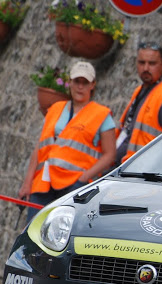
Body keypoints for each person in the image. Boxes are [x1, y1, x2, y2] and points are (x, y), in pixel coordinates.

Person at [18, 61, 116, 222]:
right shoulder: (55, 108)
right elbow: (40, 147)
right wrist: (27, 182)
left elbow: (110, 155)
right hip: (43, 183)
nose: (80, 87)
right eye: (77, 81)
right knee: (33, 231)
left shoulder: (102, 115)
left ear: (93, 85)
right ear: (69, 82)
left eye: (85, 83)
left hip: (74, 185)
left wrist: (84, 178)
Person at [115, 40, 162, 165]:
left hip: (145, 173)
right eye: (141, 62)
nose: (146, 68)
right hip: (127, 168)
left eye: (152, 63)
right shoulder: (140, 90)